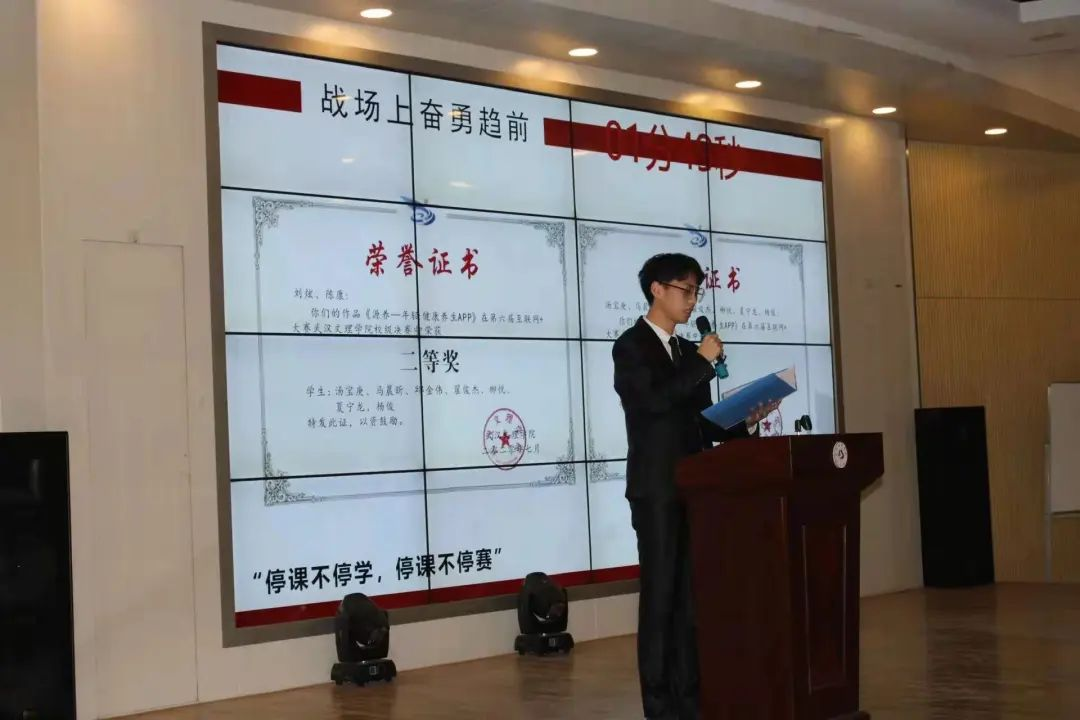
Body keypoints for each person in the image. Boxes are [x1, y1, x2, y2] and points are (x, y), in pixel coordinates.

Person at [612, 253, 777, 720]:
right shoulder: (630, 347)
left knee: (690, 601)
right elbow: (652, 403)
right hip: (656, 491)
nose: (692, 301)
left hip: (695, 489)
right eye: (685, 290)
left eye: (696, 292)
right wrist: (702, 362)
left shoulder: (689, 354)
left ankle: (691, 701)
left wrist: (746, 420)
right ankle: (658, 705)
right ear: (656, 289)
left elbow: (703, 424)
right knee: (661, 597)